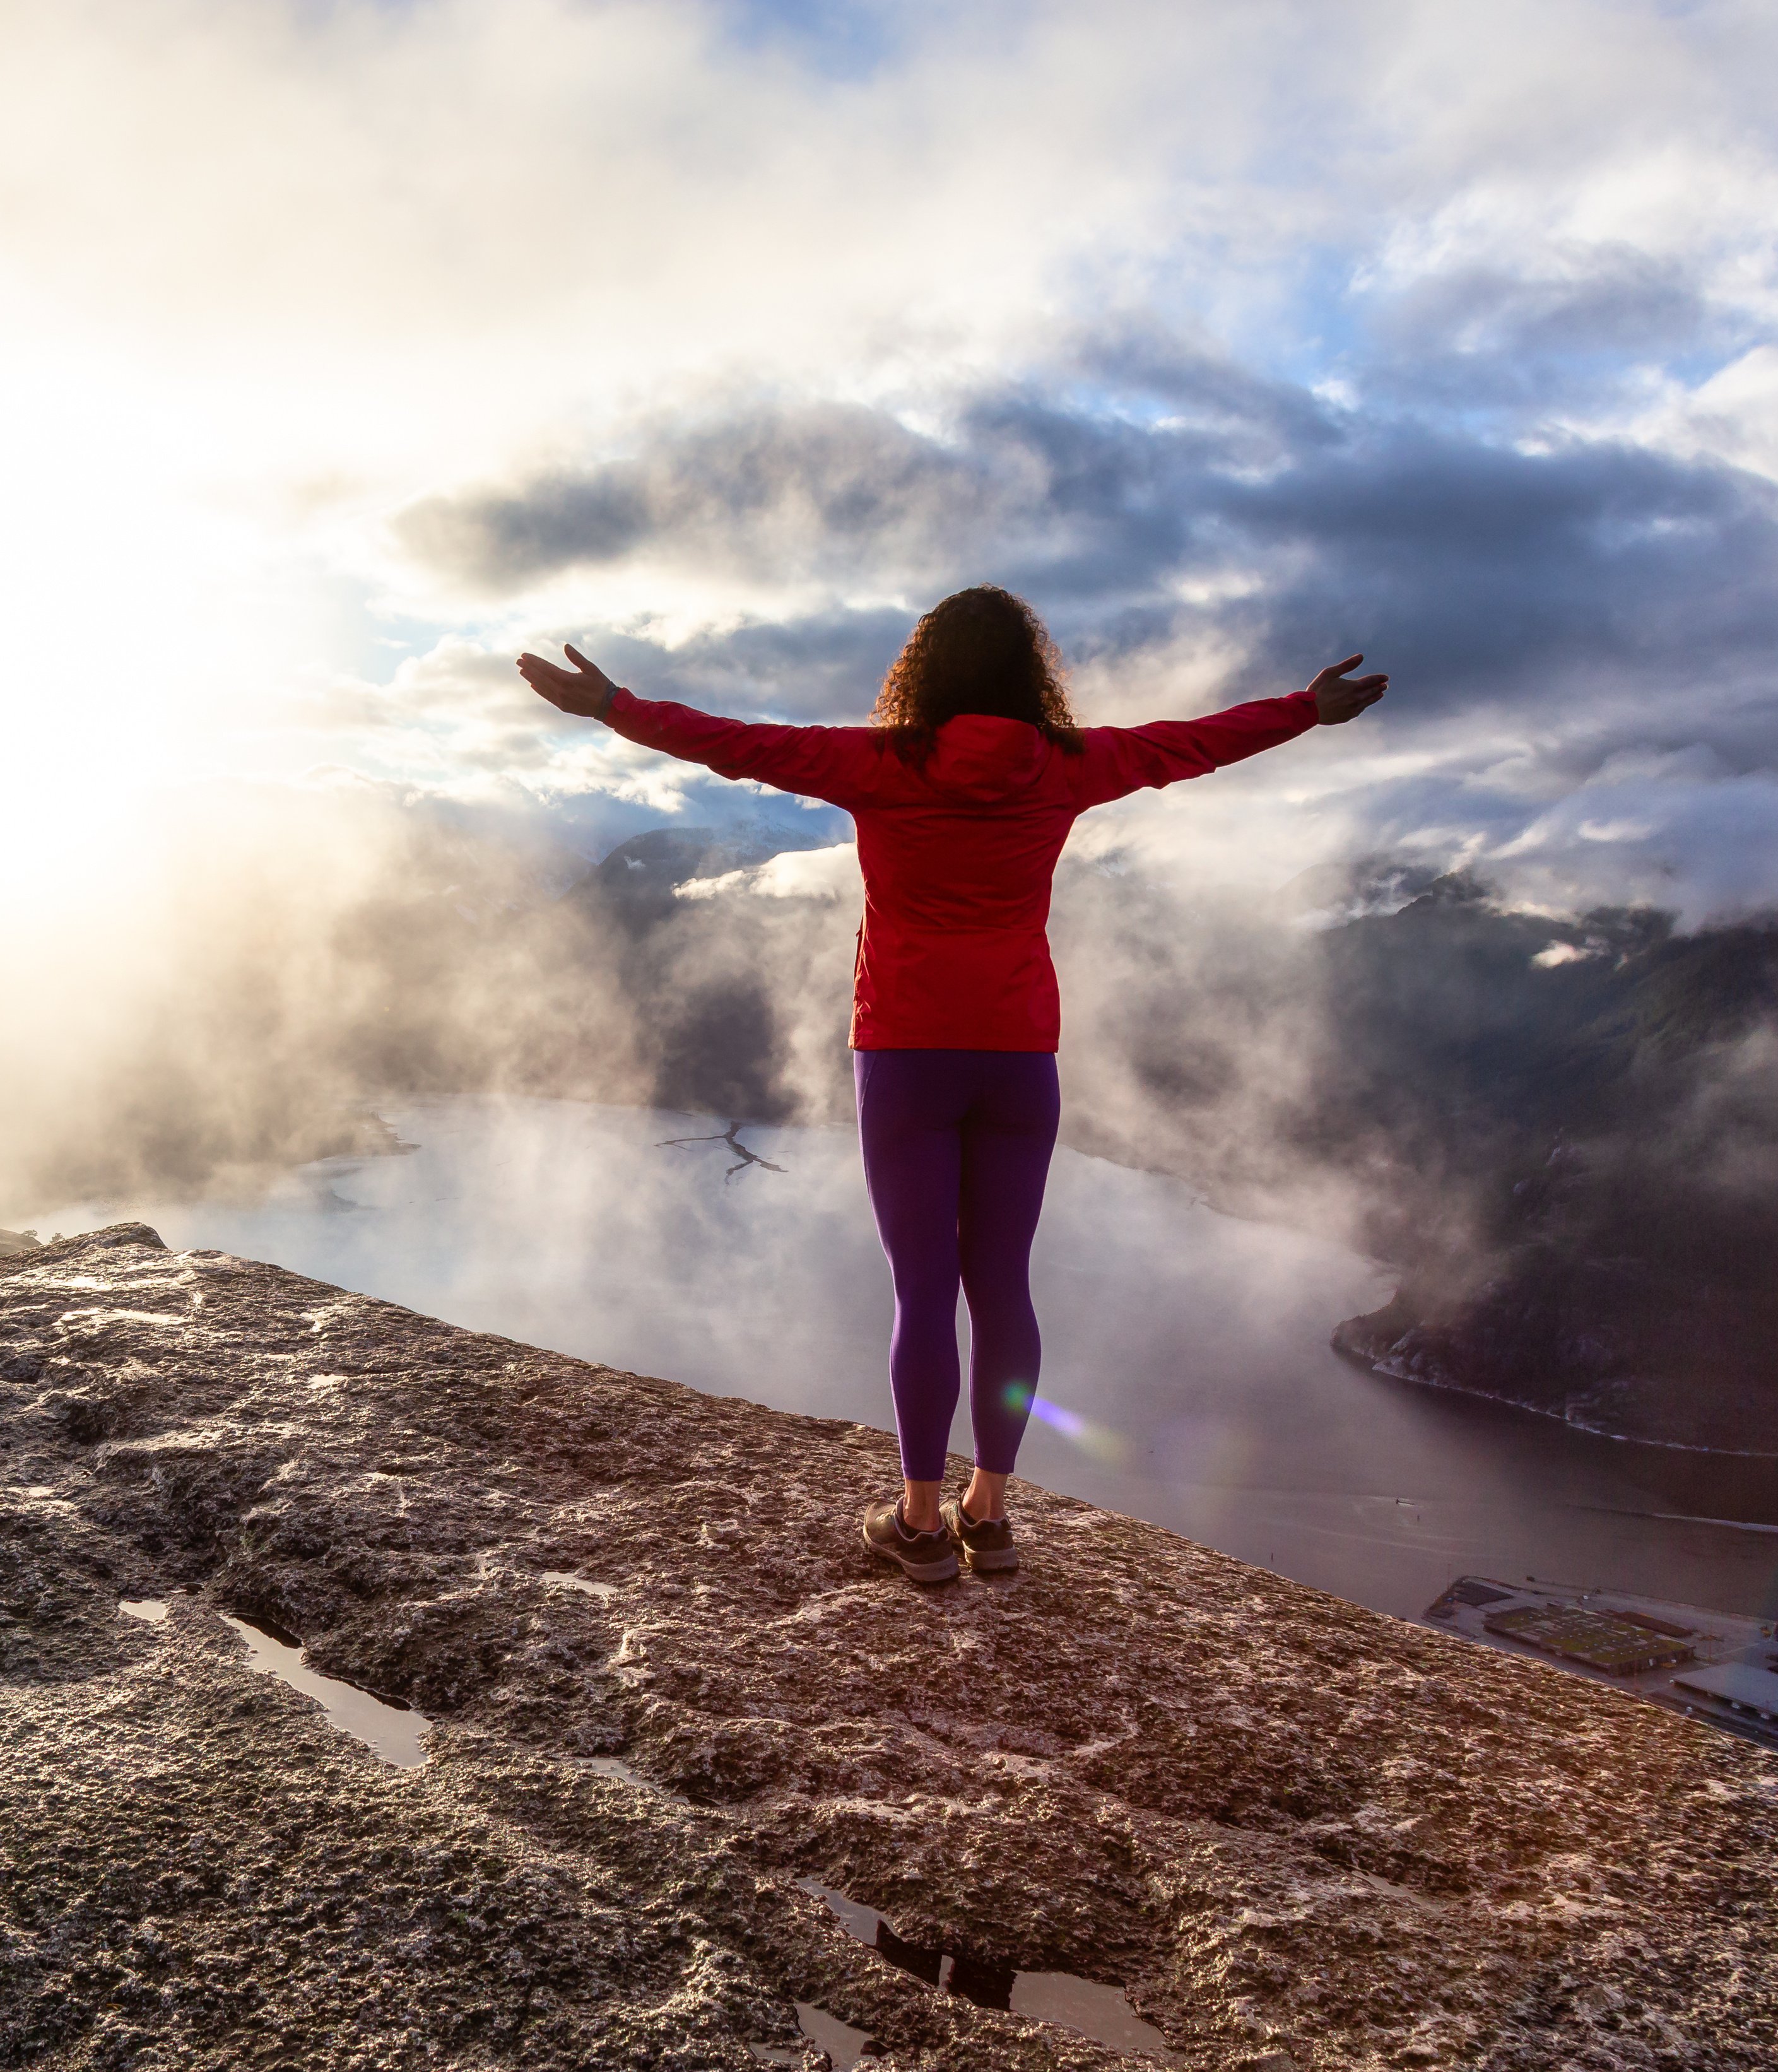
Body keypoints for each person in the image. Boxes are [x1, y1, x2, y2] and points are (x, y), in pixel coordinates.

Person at [517, 588, 1387, 1584]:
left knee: (922, 1290)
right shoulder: (1069, 764)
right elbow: (1182, 746)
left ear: (921, 673)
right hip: (1019, 1059)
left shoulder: (880, 764)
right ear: (1030, 675)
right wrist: (1299, 710)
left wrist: (610, 706)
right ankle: (991, 1514)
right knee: (1002, 1285)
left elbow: (737, 744)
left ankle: (921, 1524)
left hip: (904, 1055)